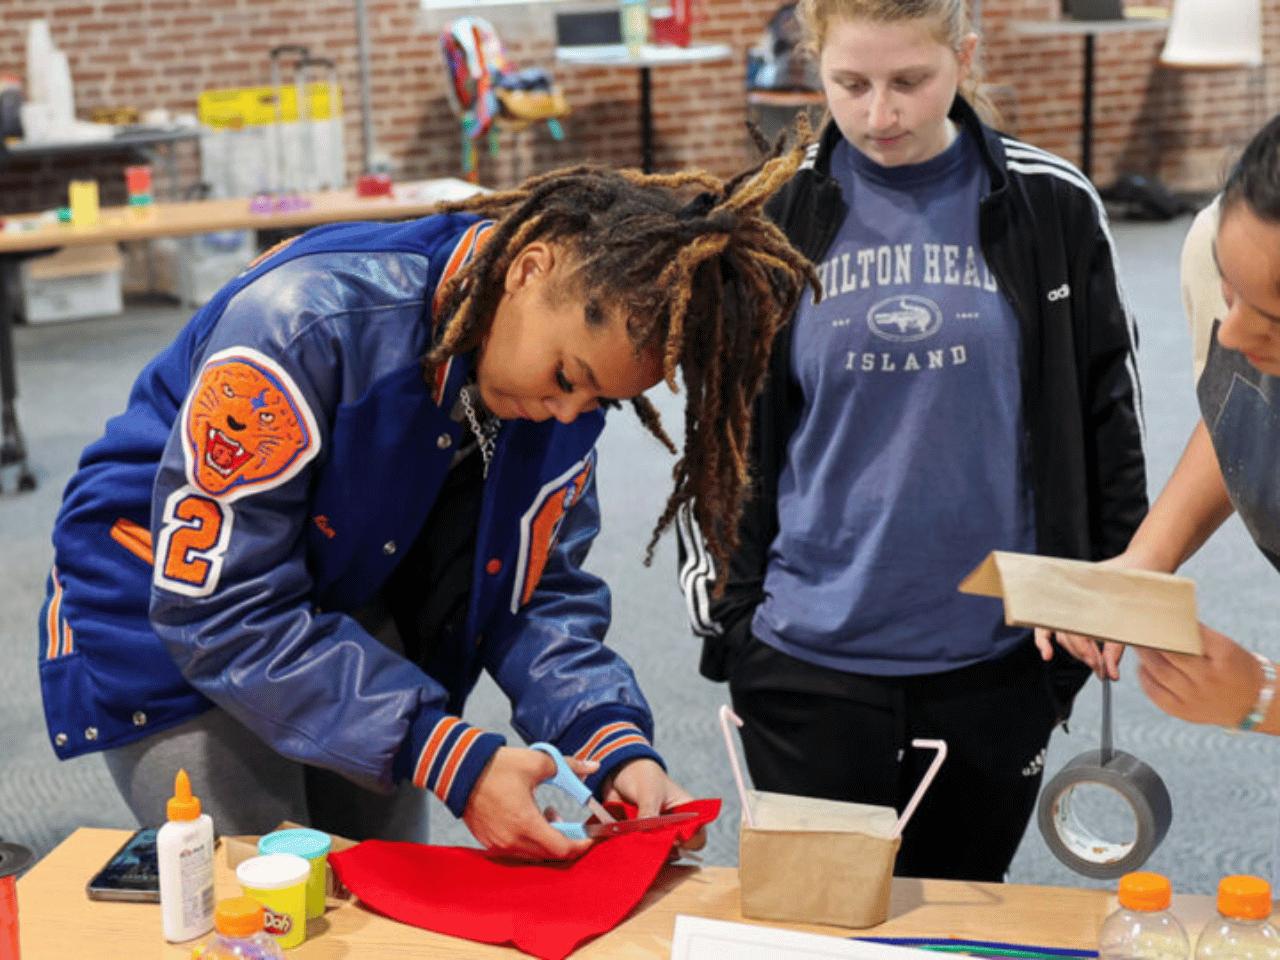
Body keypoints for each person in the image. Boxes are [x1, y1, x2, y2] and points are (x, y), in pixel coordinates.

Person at [37, 157, 817, 860]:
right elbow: (219, 607)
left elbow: (538, 588)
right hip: (167, 613)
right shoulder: (307, 320)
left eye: (598, 400)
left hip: (333, 594)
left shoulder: (560, 399)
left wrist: (610, 741)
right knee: (265, 904)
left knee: (383, 894)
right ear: (528, 269)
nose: (565, 411)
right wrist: (446, 753)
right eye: (566, 375)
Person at [676, 0, 1147, 881]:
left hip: (995, 663)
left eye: (910, 82)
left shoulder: (1052, 204)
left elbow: (1107, 416)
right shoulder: (768, 213)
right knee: (821, 933)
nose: (878, 115)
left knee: (959, 923)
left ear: (963, 58)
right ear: (815, 67)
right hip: (804, 655)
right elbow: (717, 436)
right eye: (850, 84)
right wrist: (736, 625)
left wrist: (1100, 605)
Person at [1048, 114, 1280, 738]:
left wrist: (1264, 700)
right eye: (1231, 294)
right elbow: (1247, 407)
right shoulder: (1220, 246)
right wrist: (1150, 555)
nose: (1231, 334)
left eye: (1273, 321)